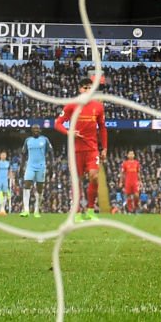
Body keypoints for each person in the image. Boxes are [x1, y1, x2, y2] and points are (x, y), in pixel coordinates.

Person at [55, 76, 108, 222]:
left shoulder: (98, 106)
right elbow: (57, 123)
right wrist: (69, 132)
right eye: (85, 87)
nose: (87, 90)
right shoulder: (72, 105)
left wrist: (104, 148)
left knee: (94, 176)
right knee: (76, 181)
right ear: (80, 89)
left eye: (90, 88)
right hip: (76, 150)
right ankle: (77, 212)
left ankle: (91, 210)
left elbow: (103, 128)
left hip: (92, 149)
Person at [20, 125, 53, 218]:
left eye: (37, 129)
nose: (36, 130)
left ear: (40, 130)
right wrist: (21, 168)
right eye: (34, 129)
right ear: (31, 131)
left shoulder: (45, 140)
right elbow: (23, 154)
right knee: (27, 184)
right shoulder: (28, 140)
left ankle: (37, 209)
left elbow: (51, 153)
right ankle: (26, 210)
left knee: (39, 188)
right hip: (30, 166)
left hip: (41, 166)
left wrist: (51, 167)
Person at [0, 151, 14, 215]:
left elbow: (10, 172)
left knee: (4, 194)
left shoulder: (8, 163)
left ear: (6, 156)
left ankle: (2, 209)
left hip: (5, 180)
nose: (3, 156)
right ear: (0, 156)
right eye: (2, 155)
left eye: (5, 155)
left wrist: (12, 179)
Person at [122, 150, 142, 214]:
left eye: (132, 154)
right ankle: (130, 209)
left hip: (135, 181)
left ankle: (136, 206)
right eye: (130, 154)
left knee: (136, 195)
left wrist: (140, 181)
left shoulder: (137, 163)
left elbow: (138, 172)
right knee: (128, 195)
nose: (131, 155)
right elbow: (123, 173)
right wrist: (121, 182)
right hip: (128, 181)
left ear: (134, 155)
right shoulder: (125, 163)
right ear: (127, 155)